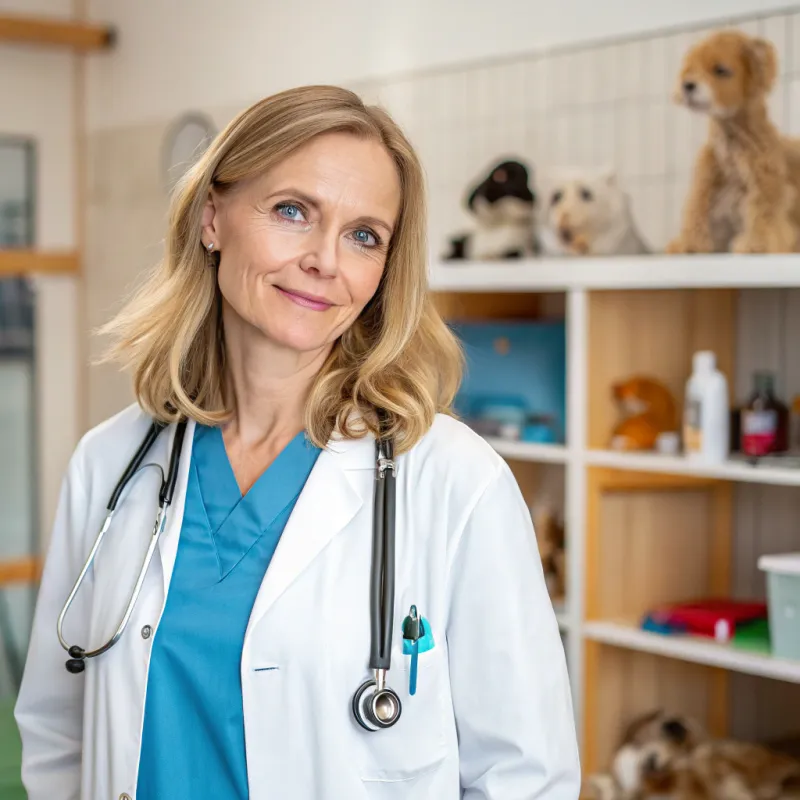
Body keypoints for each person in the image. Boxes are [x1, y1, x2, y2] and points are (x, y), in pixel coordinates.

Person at [14, 85, 580, 799]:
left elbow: (524, 778)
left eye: (364, 235)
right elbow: (57, 734)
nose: (324, 260)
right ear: (212, 217)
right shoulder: (110, 463)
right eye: (293, 211)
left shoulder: (457, 482)